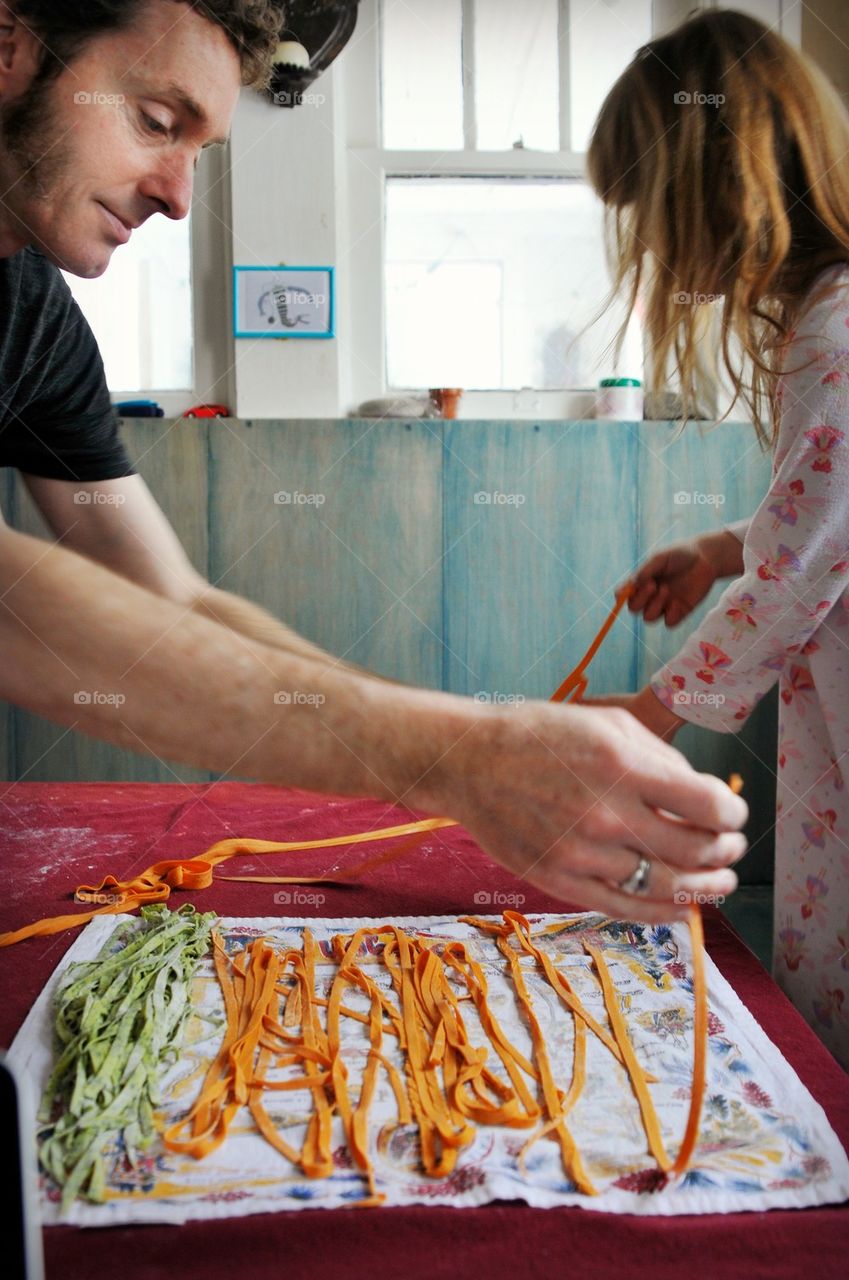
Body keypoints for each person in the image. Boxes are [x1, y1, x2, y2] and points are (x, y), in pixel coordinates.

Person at [0, 0, 747, 925]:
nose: (180, 196)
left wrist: (475, 743)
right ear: (11, 45)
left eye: (201, 150)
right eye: (156, 122)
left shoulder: (36, 325)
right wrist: (456, 757)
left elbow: (172, 601)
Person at [586, 9, 849, 1067]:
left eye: (652, 211)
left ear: (718, 191)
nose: (650, 244)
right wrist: (715, 544)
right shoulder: (822, 318)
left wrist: (649, 717)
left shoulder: (838, 326)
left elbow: (806, 563)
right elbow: (817, 514)